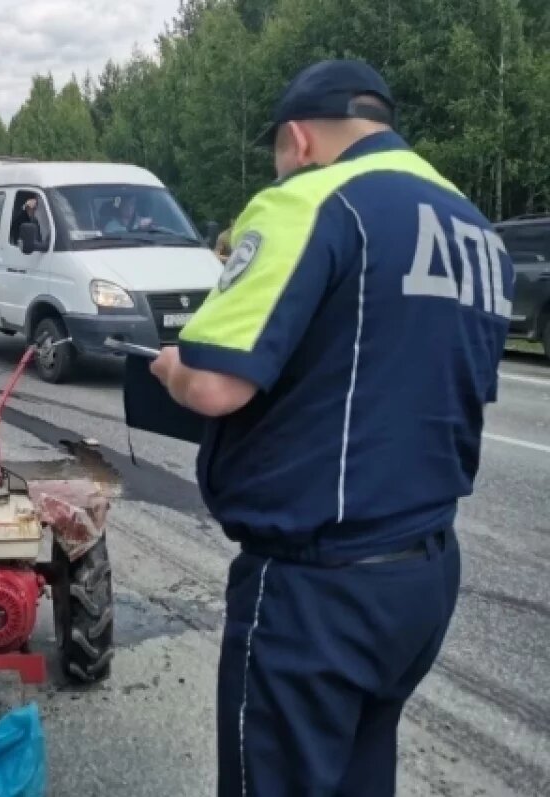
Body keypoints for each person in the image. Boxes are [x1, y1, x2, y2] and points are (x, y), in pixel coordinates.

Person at [148, 59, 514, 796]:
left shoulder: (313, 201)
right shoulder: (474, 228)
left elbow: (217, 384)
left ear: (298, 140)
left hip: (317, 591)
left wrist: (167, 368)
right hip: (424, 573)